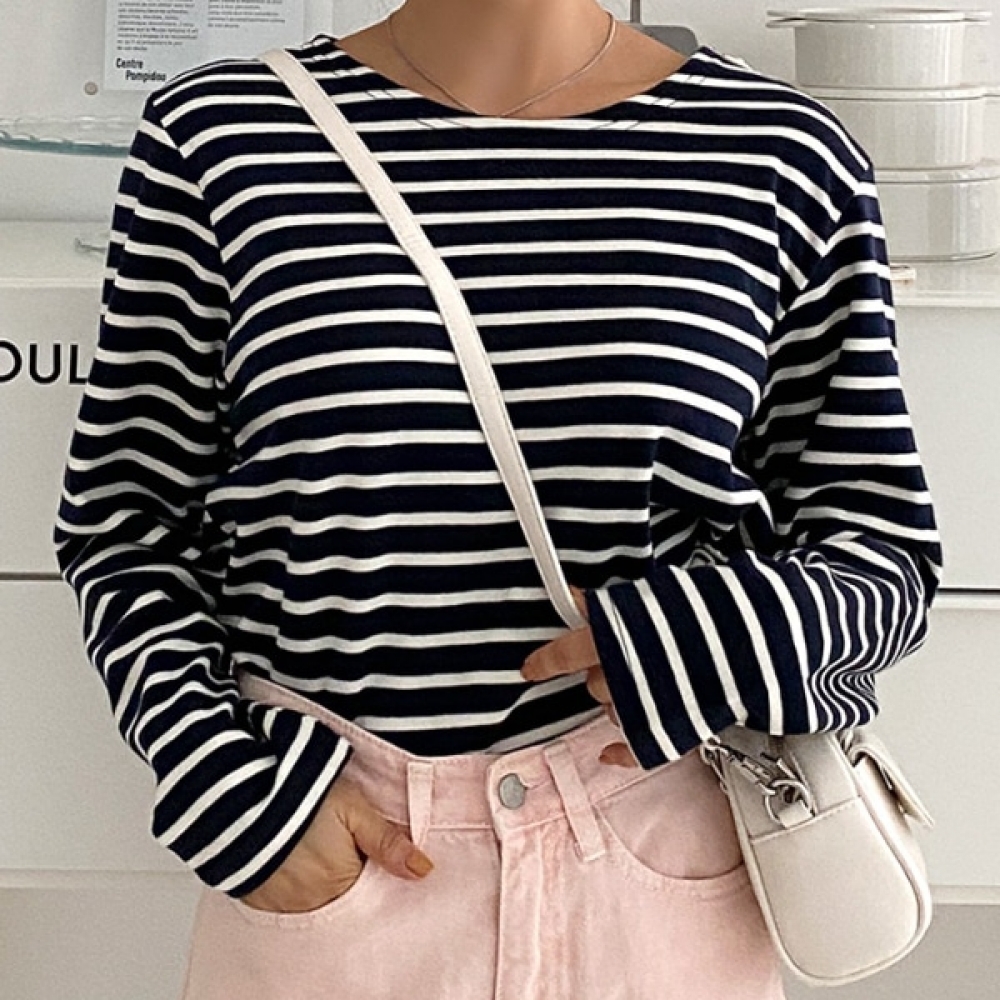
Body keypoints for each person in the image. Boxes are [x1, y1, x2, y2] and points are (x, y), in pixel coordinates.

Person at [52, 0, 943, 997]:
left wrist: (706, 635)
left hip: (659, 856)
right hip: (334, 849)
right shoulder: (221, 135)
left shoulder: (779, 153)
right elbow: (126, 524)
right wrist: (222, 777)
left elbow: (884, 553)